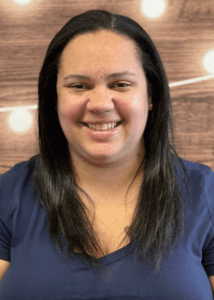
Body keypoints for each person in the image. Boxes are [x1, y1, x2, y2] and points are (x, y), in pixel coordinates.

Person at [0, 9, 214, 300]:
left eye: (120, 84)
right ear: (54, 98)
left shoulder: (206, 195)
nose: (100, 103)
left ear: (151, 95)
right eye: (79, 86)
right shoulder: (9, 194)